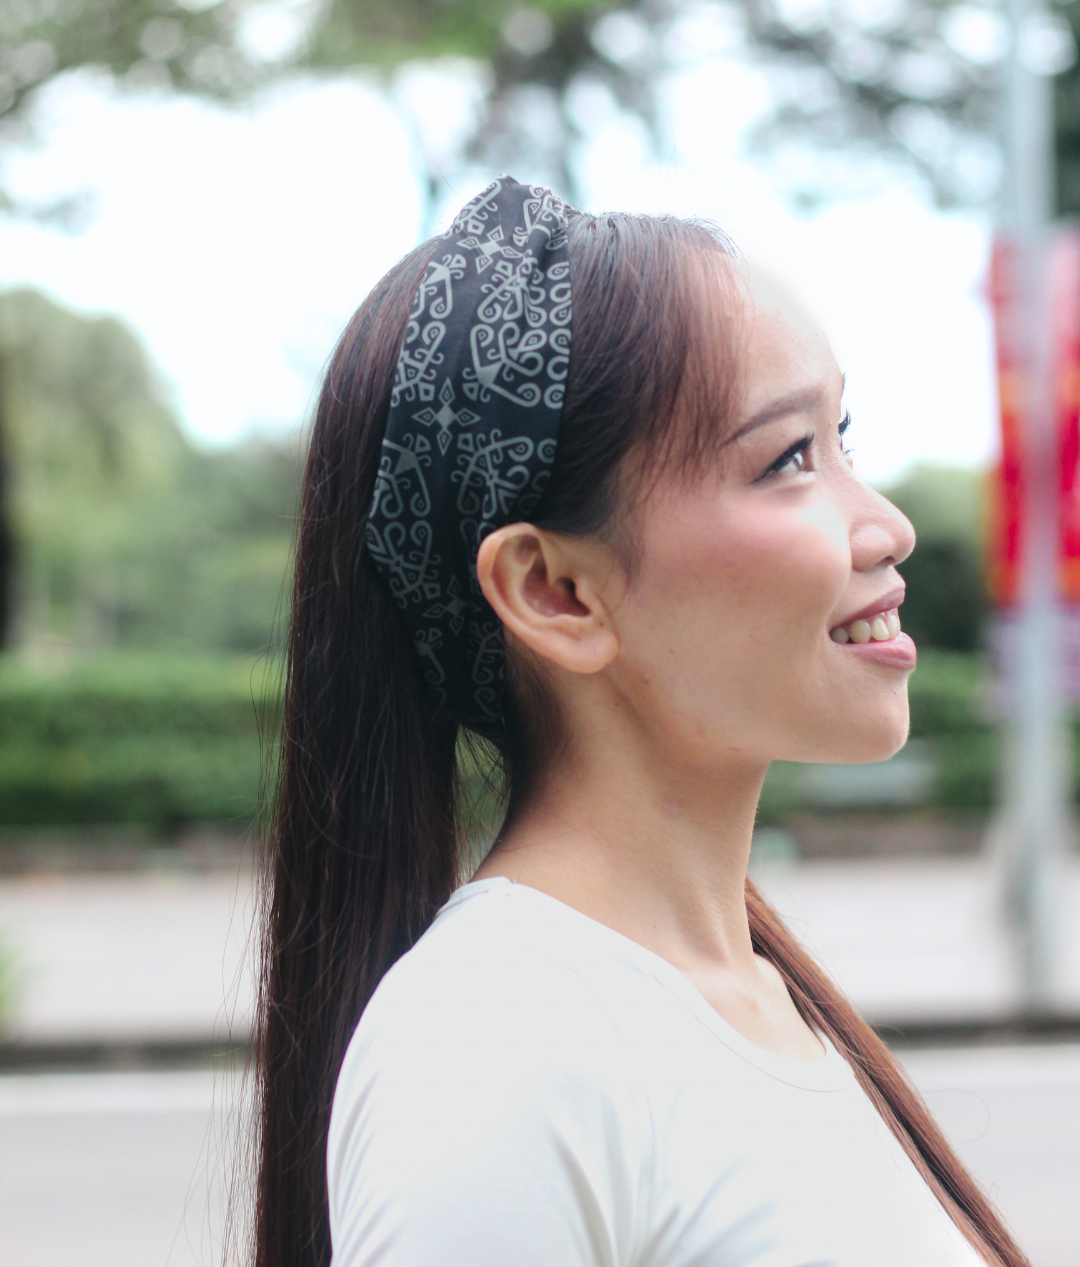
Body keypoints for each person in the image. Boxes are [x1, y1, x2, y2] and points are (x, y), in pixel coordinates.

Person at [253, 177, 1027, 1267]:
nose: (886, 526)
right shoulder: (495, 1045)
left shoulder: (750, 997)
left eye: (841, 438)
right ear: (556, 592)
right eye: (787, 460)